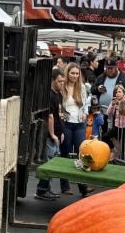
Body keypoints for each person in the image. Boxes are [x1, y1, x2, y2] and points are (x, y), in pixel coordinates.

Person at [60, 62, 92, 197]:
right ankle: (65, 185)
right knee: (65, 154)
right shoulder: (62, 87)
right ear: (67, 73)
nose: (74, 75)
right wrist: (60, 113)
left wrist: (85, 112)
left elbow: (86, 103)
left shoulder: (83, 87)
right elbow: (59, 103)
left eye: (77, 73)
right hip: (66, 123)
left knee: (82, 153)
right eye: (72, 73)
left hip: (79, 123)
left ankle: (83, 186)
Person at [35, 68, 66, 200]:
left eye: (63, 82)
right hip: (50, 136)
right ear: (53, 81)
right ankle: (42, 190)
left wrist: (61, 132)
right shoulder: (49, 95)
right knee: (47, 164)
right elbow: (50, 116)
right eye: (59, 82)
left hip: (58, 134)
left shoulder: (58, 94)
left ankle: (46, 189)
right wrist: (53, 134)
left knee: (51, 163)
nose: (62, 84)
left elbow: (59, 115)